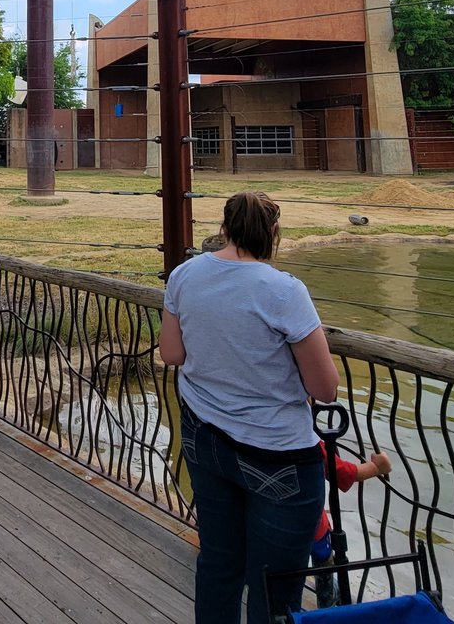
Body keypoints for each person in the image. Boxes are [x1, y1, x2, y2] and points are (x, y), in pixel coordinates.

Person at [160, 191, 339, 623]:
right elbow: (325, 388)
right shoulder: (284, 290)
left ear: (224, 226)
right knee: (275, 588)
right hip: (277, 455)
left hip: (204, 438)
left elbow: (172, 354)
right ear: (273, 233)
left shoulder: (184, 275)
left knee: (219, 563)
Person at [309, 447, 392, 608]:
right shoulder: (310, 444)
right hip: (312, 528)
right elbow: (344, 472)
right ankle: (327, 606)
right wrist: (377, 467)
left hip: (265, 526)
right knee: (323, 562)